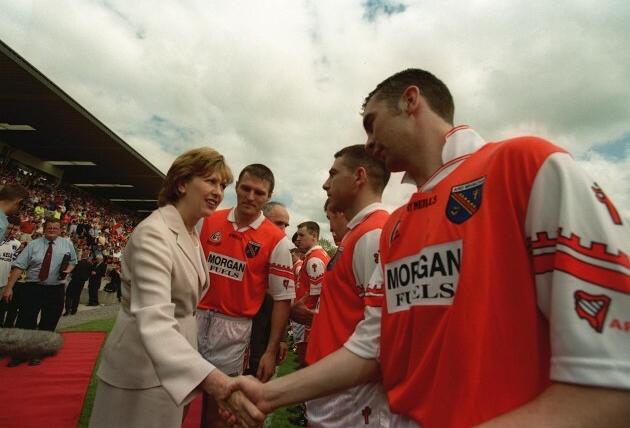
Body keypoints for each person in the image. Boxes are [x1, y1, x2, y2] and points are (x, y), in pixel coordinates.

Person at [228, 68, 630, 427]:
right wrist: (269, 394)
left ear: (410, 100)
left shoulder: (525, 164)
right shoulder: (399, 224)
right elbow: (373, 348)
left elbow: (613, 381)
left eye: (372, 124)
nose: (369, 143)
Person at [89, 147, 263, 428]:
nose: (218, 191)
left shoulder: (193, 232)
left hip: (176, 364)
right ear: (182, 183)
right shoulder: (153, 234)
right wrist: (215, 381)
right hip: (141, 368)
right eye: (209, 181)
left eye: (222, 185)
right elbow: (155, 319)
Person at [197, 164, 295, 428]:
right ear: (236, 187)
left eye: (259, 193)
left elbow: (282, 300)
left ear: (268, 196)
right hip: (195, 319)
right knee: (177, 399)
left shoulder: (276, 240)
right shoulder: (208, 220)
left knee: (219, 410)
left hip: (234, 329)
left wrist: (271, 349)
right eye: (246, 188)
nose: (251, 197)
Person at [301, 144, 392, 428]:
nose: (325, 184)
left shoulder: (374, 233)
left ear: (359, 177)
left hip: (351, 392)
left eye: (333, 174)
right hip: (334, 383)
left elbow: (378, 332)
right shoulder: (357, 233)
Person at [2, 217, 77, 366]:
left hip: (55, 289)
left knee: (48, 322)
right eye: (49, 228)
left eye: (55, 228)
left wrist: (67, 271)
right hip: (32, 288)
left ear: (60, 229)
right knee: (25, 321)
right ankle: (20, 354)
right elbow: (19, 267)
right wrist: (9, 288)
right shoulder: (33, 245)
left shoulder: (67, 245)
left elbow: (73, 262)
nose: (52, 231)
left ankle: (38, 353)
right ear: (44, 228)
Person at [245, 201, 291, 378]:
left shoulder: (281, 251)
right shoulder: (246, 242)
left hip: (264, 337)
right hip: (239, 332)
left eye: (286, 225)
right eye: (279, 223)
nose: (284, 230)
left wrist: (282, 338)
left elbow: (282, 298)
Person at [292, 221, 330, 371]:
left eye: (302, 235)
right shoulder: (313, 256)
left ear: (314, 236)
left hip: (307, 318)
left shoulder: (314, 259)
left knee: (306, 363)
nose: (298, 239)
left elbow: (320, 295)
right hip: (306, 317)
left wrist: (314, 319)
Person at [0, 216, 22, 326]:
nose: (11, 231)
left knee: (2, 311)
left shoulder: (17, 244)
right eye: (9, 228)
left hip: (4, 284)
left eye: (15, 229)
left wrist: (10, 286)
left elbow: (15, 266)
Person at [63, 250, 91, 315]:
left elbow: (72, 271)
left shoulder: (78, 263)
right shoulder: (89, 265)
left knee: (69, 295)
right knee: (77, 295)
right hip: (82, 282)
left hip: (75, 280)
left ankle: (67, 309)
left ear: (81, 256)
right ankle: (74, 309)